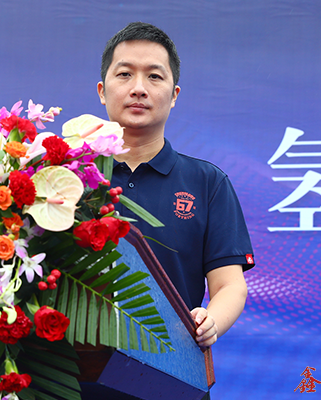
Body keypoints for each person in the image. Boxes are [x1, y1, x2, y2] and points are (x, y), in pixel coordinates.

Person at [98, 22, 255, 348]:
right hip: (72, 366)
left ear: (174, 96)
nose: (138, 88)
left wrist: (209, 320)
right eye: (124, 74)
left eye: (154, 76)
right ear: (102, 90)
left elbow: (230, 285)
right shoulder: (68, 176)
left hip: (173, 362)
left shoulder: (207, 183)